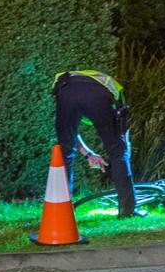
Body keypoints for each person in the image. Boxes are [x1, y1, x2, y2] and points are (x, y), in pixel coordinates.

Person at [52, 70, 139, 218]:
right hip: (97, 92)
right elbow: (123, 134)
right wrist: (124, 152)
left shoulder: (68, 88)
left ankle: (62, 213)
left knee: (64, 151)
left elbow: (71, 135)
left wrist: (88, 154)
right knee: (118, 151)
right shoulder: (116, 93)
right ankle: (127, 211)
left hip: (66, 88)